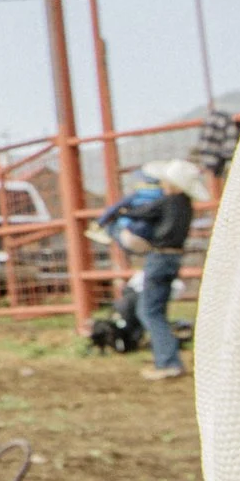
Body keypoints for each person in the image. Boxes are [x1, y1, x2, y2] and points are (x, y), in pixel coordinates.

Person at [95, 158, 212, 380]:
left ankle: (168, 361)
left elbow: (141, 212)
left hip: (159, 260)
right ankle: (166, 357)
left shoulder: (169, 202)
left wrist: (120, 212)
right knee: (155, 310)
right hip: (172, 261)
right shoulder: (184, 205)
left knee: (149, 311)